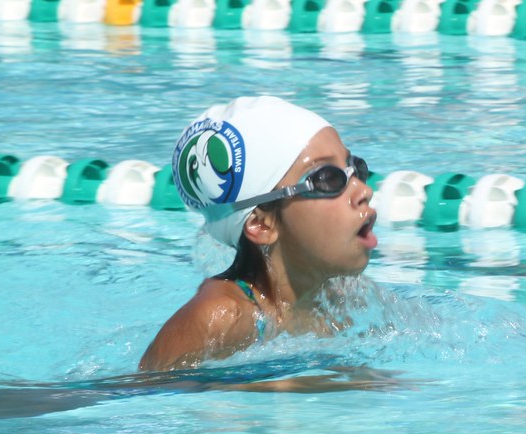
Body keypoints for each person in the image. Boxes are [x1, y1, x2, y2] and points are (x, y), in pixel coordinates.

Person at [139, 96, 378, 373]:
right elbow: (137, 399)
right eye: (328, 179)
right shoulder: (222, 317)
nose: (364, 191)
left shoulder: (341, 298)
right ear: (261, 224)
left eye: (355, 168)